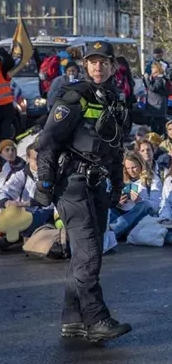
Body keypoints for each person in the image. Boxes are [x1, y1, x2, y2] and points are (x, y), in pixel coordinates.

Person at [33, 41, 132, 341]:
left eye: (103, 62)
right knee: (89, 253)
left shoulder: (115, 99)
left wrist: (117, 185)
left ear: (114, 66)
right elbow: (47, 142)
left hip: (97, 183)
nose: (97, 66)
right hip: (72, 184)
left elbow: (115, 149)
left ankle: (73, 318)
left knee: (87, 254)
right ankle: (96, 318)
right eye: (92, 62)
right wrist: (45, 184)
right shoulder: (75, 97)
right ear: (86, 65)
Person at [0, 47, 17, 141]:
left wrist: (2, 51)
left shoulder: (2, 68)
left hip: (6, 106)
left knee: (4, 135)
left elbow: (10, 63)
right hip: (6, 105)